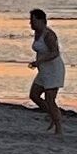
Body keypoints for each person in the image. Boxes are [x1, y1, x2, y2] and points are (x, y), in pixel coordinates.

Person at [27, 8, 66, 136]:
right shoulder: (37, 33)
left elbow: (55, 53)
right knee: (34, 95)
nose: (31, 23)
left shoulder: (49, 35)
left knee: (50, 99)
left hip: (54, 70)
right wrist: (37, 63)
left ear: (41, 21)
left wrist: (39, 61)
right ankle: (52, 115)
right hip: (44, 70)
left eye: (33, 21)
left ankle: (58, 127)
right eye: (30, 21)